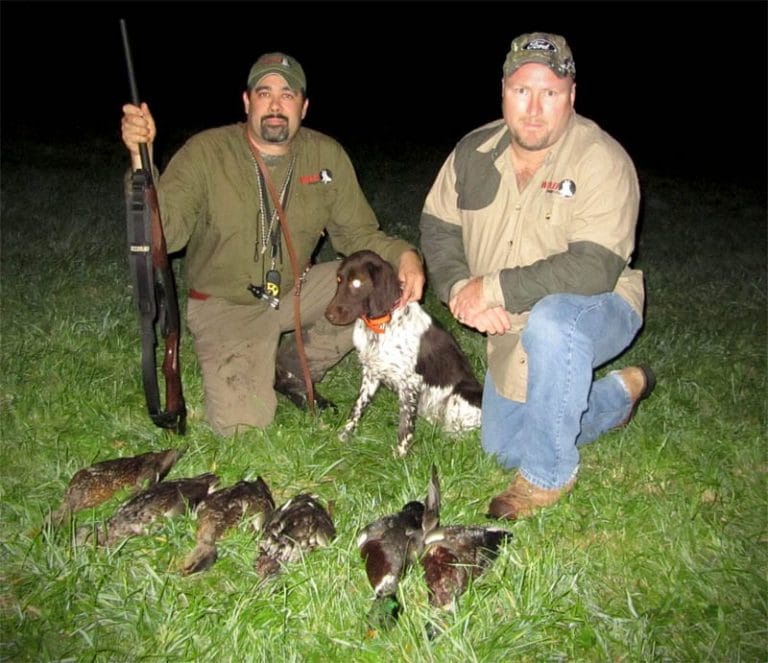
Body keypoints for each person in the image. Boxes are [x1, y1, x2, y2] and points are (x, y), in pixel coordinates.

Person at [121, 52, 425, 437]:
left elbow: (358, 236)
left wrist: (405, 256)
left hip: (296, 289)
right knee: (243, 427)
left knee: (379, 286)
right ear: (247, 102)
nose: (276, 105)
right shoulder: (206, 152)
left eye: (287, 94)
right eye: (264, 93)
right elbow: (166, 234)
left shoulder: (325, 154)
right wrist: (139, 159)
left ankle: (294, 366)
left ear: (304, 106)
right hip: (227, 304)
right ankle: (251, 362)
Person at [419, 32, 655, 520]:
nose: (533, 108)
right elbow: (439, 227)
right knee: (503, 447)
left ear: (572, 95)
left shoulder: (602, 160)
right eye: (522, 90)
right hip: (513, 324)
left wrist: (493, 288)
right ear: (503, 90)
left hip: (597, 304)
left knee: (553, 321)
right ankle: (613, 397)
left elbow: (594, 267)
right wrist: (460, 286)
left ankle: (548, 476)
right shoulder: (472, 152)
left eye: (550, 92)